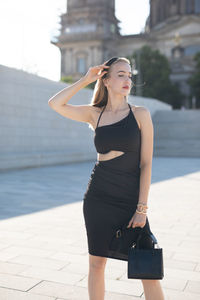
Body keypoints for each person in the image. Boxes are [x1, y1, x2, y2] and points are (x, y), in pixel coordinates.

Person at [48, 57, 165, 300]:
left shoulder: (141, 115)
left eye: (129, 75)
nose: (127, 80)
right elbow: (55, 104)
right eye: (120, 74)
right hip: (98, 199)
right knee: (96, 265)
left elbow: (146, 164)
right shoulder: (95, 114)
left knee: (148, 270)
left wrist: (141, 208)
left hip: (130, 200)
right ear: (107, 80)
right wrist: (85, 79)